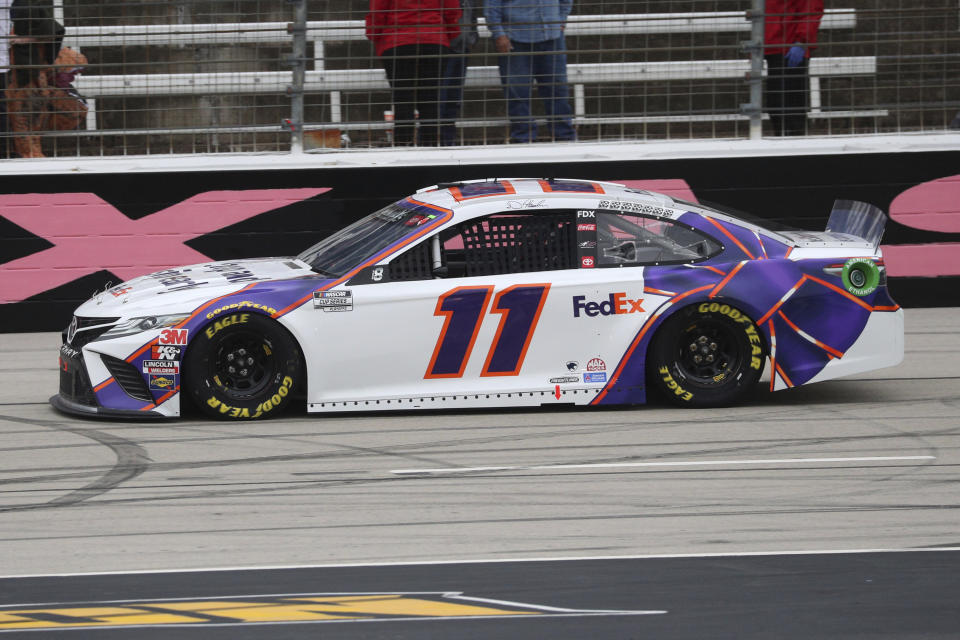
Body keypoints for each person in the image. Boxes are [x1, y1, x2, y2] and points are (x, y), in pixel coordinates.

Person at [366, 0, 461, 146]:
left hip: (398, 41)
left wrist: (374, 34)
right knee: (430, 100)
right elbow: (451, 9)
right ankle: (430, 148)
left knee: (403, 100)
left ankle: (403, 148)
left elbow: (378, 11)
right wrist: (449, 31)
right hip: (433, 38)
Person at [484, 0, 575, 144]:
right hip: (515, 39)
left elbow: (566, 1)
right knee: (518, 93)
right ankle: (523, 139)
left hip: (552, 37)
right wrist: (499, 34)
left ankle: (564, 137)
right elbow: (491, 6)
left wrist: (561, 21)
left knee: (558, 90)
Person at [764, 0, 824, 136]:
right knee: (776, 103)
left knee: (791, 102)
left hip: (790, 47)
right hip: (774, 48)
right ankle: (783, 138)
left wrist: (802, 41)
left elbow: (811, 10)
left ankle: (793, 141)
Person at [437, 0, 480, 146]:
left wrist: (472, 37)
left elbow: (472, 13)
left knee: (453, 100)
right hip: (445, 49)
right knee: (440, 99)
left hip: (462, 48)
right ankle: (439, 141)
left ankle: (448, 141)